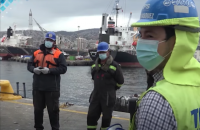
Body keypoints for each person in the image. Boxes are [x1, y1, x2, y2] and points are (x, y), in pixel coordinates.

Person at [108, 0, 200, 129]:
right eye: (140, 35)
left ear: (178, 42)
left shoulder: (157, 102)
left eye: (150, 36)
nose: (140, 43)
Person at [27, 31, 67, 130]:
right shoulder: (36, 53)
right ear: (44, 40)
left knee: (53, 111)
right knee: (38, 110)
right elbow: (29, 65)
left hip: (52, 88)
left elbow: (63, 69)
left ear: (54, 42)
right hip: (37, 87)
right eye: (47, 40)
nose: (48, 42)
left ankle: (55, 128)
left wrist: (49, 70)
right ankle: (38, 128)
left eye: (51, 40)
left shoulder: (58, 54)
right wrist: (33, 69)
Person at [87, 42, 124, 130]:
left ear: (108, 52)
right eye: (100, 52)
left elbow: (120, 81)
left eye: (103, 52)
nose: (101, 54)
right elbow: (94, 78)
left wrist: (112, 89)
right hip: (96, 96)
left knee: (106, 119)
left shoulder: (115, 66)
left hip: (108, 97)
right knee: (91, 117)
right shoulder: (94, 66)